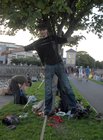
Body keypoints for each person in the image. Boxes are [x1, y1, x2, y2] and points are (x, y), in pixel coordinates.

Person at [0, 23, 77, 116]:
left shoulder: (53, 38)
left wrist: (75, 38)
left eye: (44, 29)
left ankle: (74, 108)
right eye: (40, 30)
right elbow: (24, 48)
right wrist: (9, 51)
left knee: (67, 86)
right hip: (48, 67)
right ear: (39, 32)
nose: (42, 31)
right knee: (48, 89)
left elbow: (65, 40)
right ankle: (47, 110)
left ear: (46, 30)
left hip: (59, 64)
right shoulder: (37, 43)